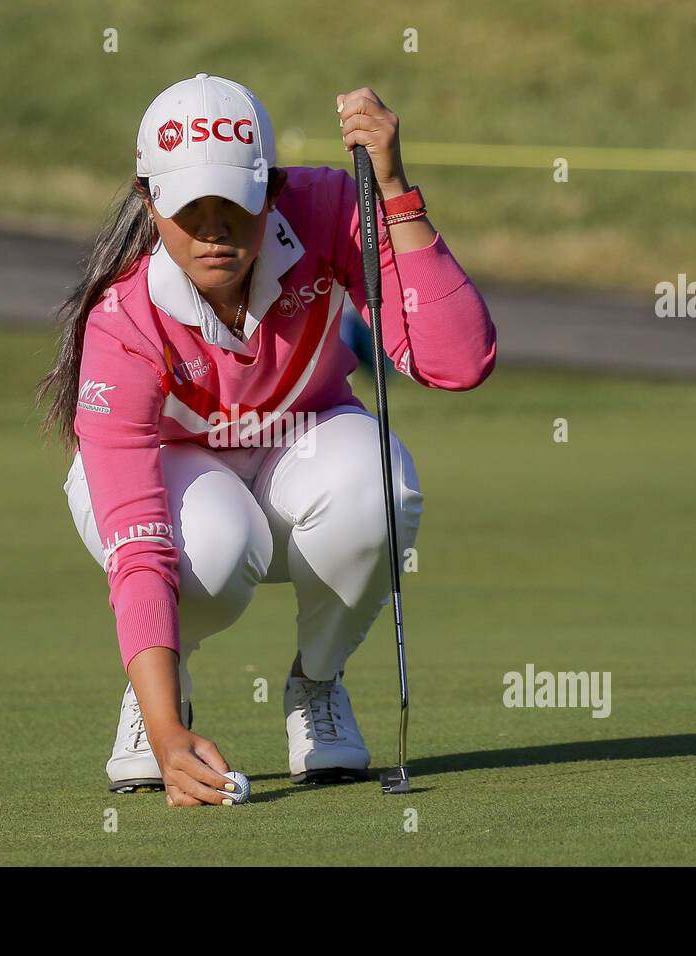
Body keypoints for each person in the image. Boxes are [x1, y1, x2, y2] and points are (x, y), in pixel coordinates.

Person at [37, 73, 496, 807]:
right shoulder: (121, 316)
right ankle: (160, 694)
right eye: (191, 207)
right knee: (214, 547)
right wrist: (163, 727)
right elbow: (139, 540)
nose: (216, 227)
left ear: (274, 190)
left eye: (237, 203)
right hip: (175, 467)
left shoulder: (331, 207)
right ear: (149, 200)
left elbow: (455, 361)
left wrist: (396, 191)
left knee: (377, 486)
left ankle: (317, 683)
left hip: (303, 441)